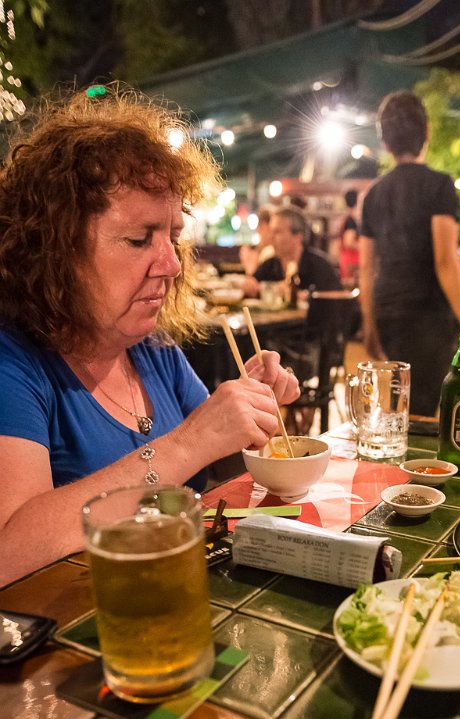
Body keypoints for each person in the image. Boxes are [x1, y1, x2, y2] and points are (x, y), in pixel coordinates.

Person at [0, 83, 300, 588]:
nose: (171, 265)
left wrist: (248, 414)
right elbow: (8, 549)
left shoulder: (151, 348)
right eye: (140, 239)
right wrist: (187, 443)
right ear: (55, 248)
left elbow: (218, 465)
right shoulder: (14, 362)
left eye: (174, 237)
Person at [359, 91, 460, 416]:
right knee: (419, 411)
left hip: (387, 312)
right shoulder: (439, 186)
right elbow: (446, 262)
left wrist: (369, 326)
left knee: (402, 406)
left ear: (385, 142)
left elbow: (366, 269)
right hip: (426, 317)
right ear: (427, 132)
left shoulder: (373, 194)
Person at [242, 206, 341, 300]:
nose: (271, 237)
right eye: (271, 232)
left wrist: (303, 296)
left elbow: (337, 300)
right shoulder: (270, 265)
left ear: (298, 236)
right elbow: (250, 285)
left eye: (277, 232)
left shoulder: (319, 266)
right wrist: (250, 285)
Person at [239, 206, 274, 277]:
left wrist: (249, 265)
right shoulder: (265, 251)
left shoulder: (269, 252)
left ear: (264, 227)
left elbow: (254, 282)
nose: (258, 231)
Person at [338, 189, 360, 286]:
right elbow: (349, 242)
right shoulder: (350, 220)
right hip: (351, 261)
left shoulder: (345, 218)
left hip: (346, 259)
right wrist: (365, 246)